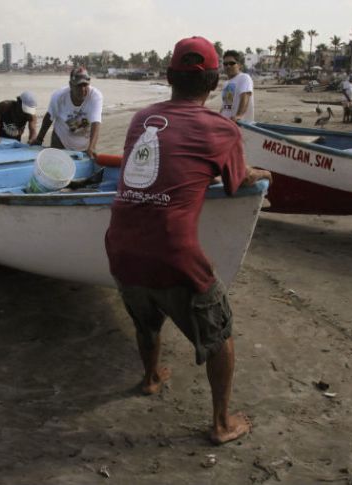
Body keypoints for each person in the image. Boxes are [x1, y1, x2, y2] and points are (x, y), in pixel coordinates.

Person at [104, 36, 272, 446]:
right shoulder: (222, 128)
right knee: (220, 335)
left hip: (120, 249)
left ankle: (150, 378)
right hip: (175, 255)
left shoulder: (141, 119)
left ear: (167, 78)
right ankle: (221, 423)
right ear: (215, 83)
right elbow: (236, 183)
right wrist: (260, 173)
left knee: (146, 319)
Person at [30, 67, 102, 159]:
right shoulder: (59, 96)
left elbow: (96, 122)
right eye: (79, 85)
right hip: (61, 139)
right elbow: (49, 117)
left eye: (85, 85)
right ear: (71, 85)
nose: (83, 89)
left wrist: (92, 147)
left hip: (83, 144)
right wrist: (39, 139)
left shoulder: (95, 96)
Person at [219, 50, 254, 122]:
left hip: (239, 124)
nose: (228, 66)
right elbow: (225, 104)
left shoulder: (244, 77)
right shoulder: (226, 83)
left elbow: (245, 96)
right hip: (226, 122)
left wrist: (239, 115)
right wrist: (219, 116)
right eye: (225, 64)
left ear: (239, 65)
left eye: (232, 63)